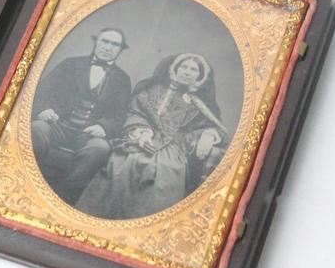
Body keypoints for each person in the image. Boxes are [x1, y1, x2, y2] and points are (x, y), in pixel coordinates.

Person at [76, 53, 229, 219]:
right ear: (175, 69)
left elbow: (211, 126)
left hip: (174, 148)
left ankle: (149, 225)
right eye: (184, 67)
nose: (187, 72)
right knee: (126, 164)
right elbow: (135, 112)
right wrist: (142, 132)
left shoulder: (200, 104)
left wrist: (208, 135)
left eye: (193, 69)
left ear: (199, 76)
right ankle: (104, 218)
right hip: (142, 139)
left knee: (165, 171)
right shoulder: (152, 90)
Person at [31, 27, 132, 205]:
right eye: (105, 41)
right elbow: (42, 92)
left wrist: (103, 126)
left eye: (114, 44)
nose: (108, 47)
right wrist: (44, 109)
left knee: (100, 148)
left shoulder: (123, 79)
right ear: (96, 41)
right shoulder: (70, 65)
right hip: (58, 124)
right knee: (37, 128)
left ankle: (63, 199)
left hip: (88, 134)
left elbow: (120, 114)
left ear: (120, 49)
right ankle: (30, 183)